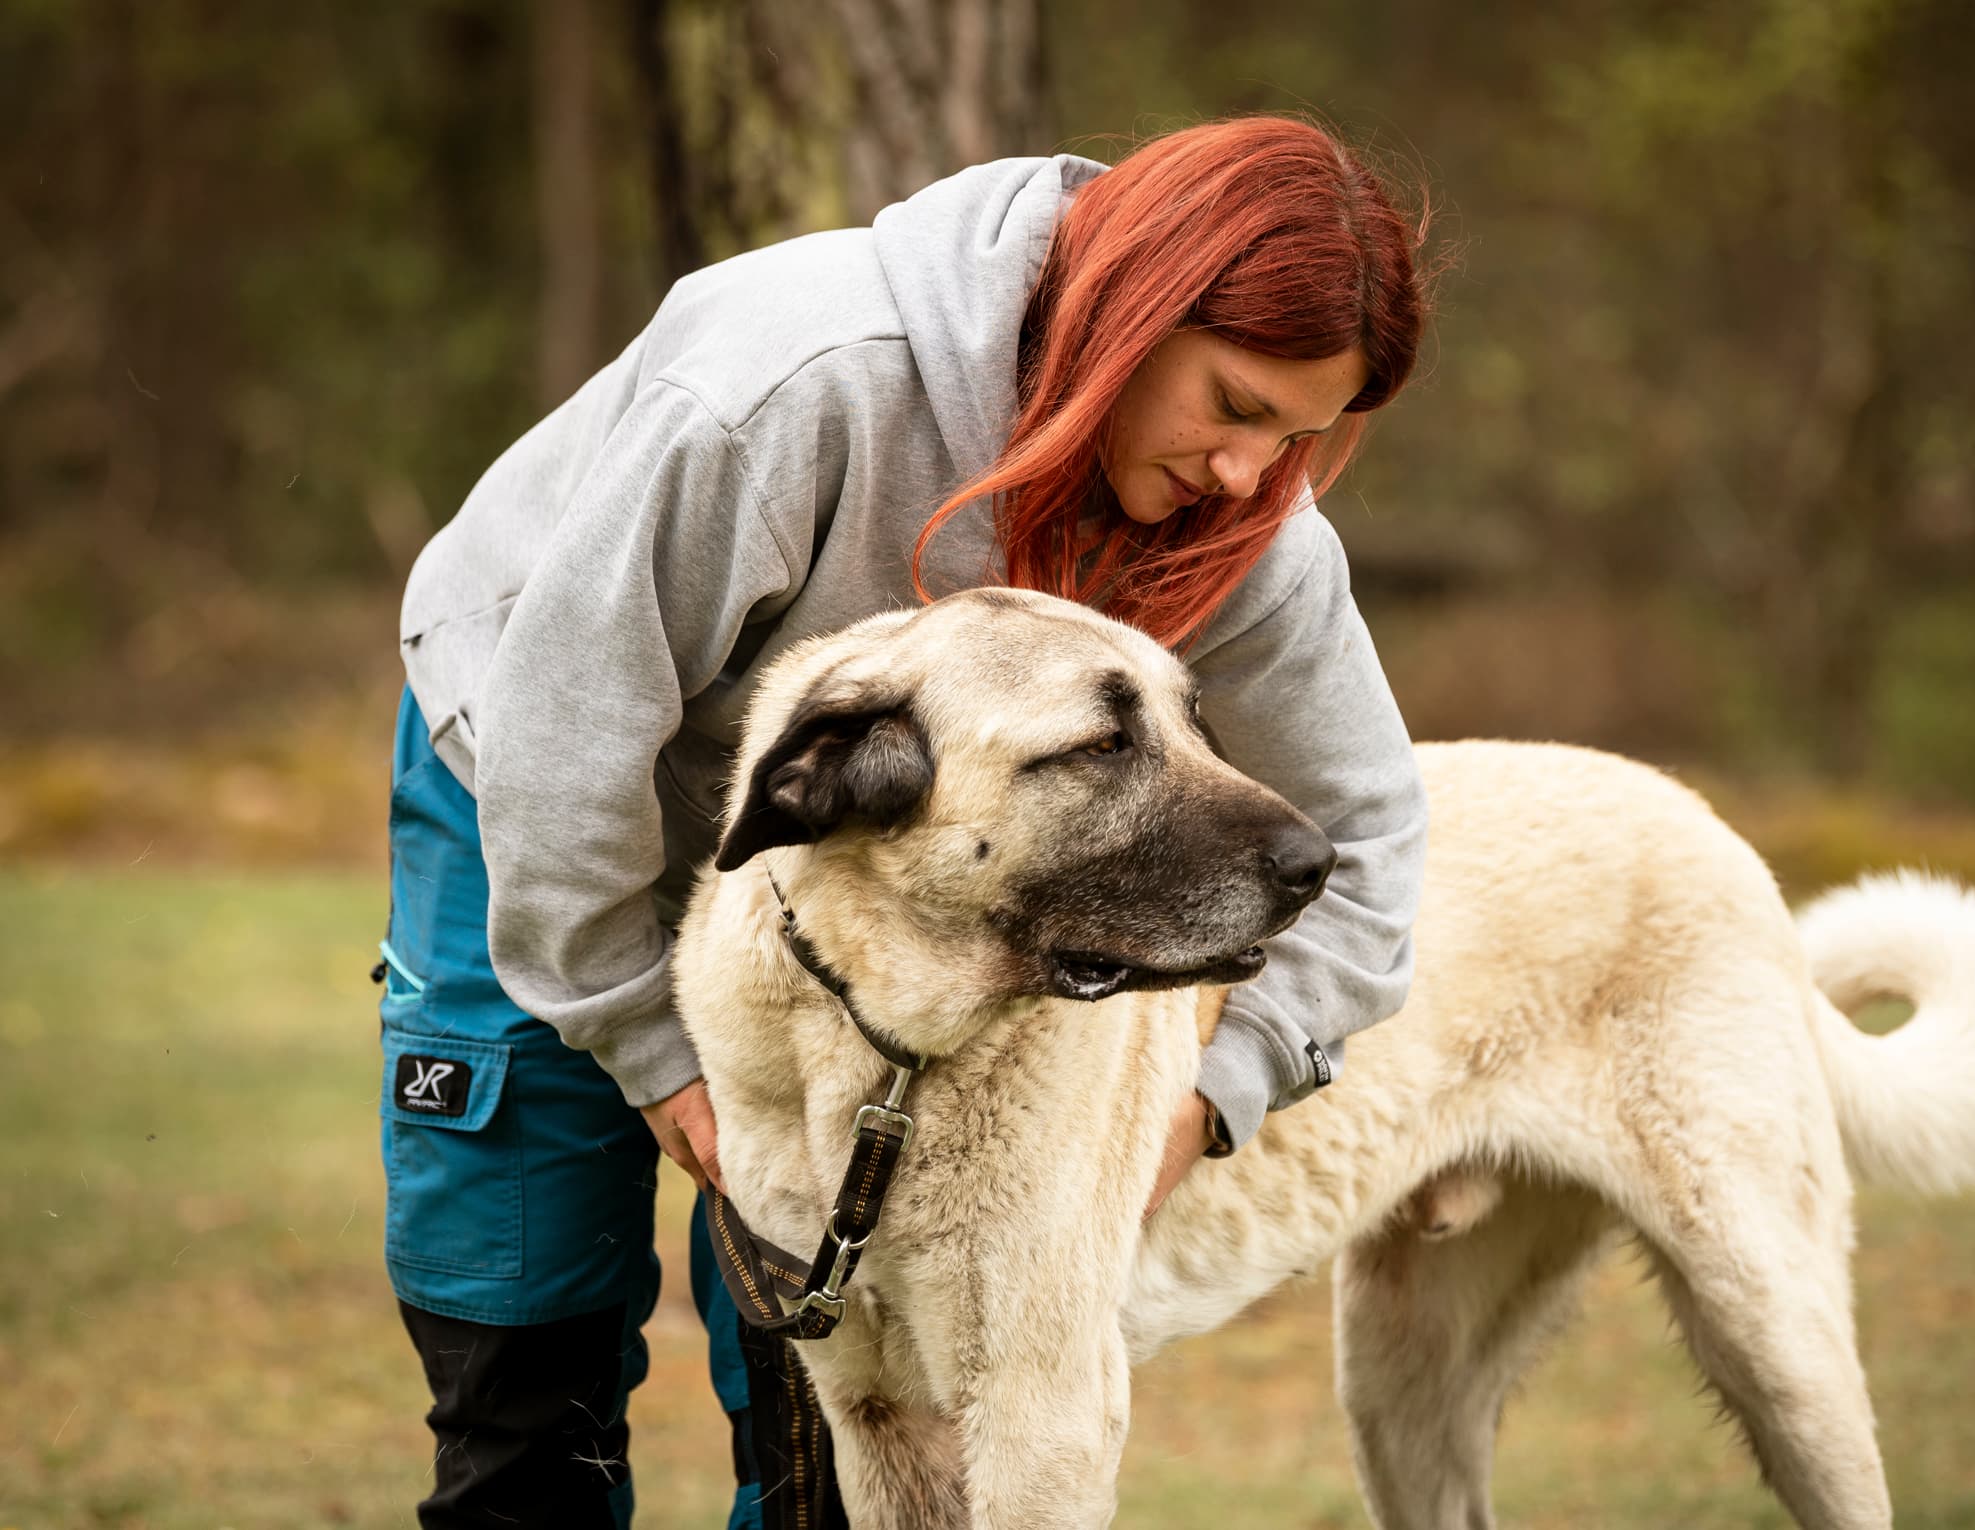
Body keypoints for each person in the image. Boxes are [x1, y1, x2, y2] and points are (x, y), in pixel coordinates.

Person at [379, 114, 1434, 1529]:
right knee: (527, 1360)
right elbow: (567, 729)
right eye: (1236, 405)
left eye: (1298, 438)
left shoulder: (1247, 529)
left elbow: (1368, 841)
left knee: (829, 1410)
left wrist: (1210, 1096)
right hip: (532, 784)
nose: (1251, 473)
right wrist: (654, 1048)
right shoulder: (793, 383)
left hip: (876, 882)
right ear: (1131, 311)